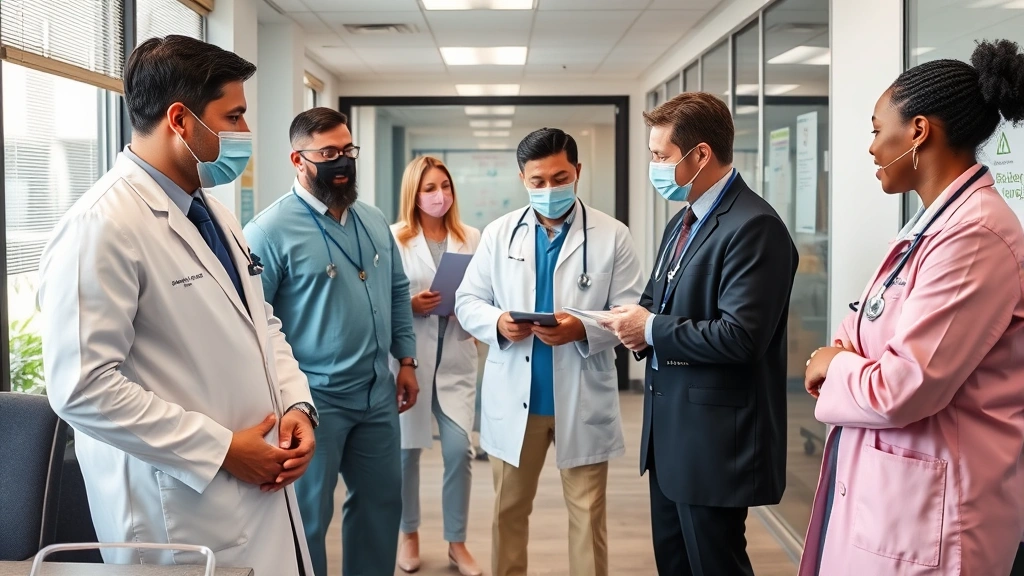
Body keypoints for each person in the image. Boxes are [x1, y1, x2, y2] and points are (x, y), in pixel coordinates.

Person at [38, 35, 315, 575]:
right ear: (181, 120)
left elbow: (261, 325)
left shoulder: (211, 212)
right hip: (179, 509)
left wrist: (297, 407)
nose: (244, 131)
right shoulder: (102, 226)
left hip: (257, 479)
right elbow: (81, 386)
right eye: (233, 116)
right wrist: (220, 449)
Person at [799, 39, 1024, 576]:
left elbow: (903, 386)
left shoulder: (975, 235)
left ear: (918, 131)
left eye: (878, 130)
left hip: (935, 516)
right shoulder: (932, 227)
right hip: (894, 497)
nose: (872, 148)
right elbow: (863, 328)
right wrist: (847, 357)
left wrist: (835, 365)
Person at [602, 92, 798, 576]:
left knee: (715, 565)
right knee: (675, 563)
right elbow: (656, 300)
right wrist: (633, 325)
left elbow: (741, 337)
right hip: (671, 437)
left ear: (701, 154)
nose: (654, 166)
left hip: (715, 443)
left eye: (660, 156)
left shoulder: (755, 226)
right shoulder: (682, 221)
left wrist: (650, 327)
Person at [455, 127, 643, 576]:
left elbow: (633, 312)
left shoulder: (612, 235)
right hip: (515, 401)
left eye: (560, 178)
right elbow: (467, 300)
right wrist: (498, 322)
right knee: (508, 512)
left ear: (578, 171)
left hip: (581, 397)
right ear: (522, 178)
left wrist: (582, 327)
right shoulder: (499, 233)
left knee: (588, 517)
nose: (549, 189)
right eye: (537, 181)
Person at [243, 107, 418, 576]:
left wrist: (406, 359)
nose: (341, 162)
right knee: (308, 518)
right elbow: (251, 326)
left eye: (347, 150)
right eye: (327, 154)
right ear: (298, 160)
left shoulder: (373, 219)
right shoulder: (268, 231)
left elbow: (397, 290)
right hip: (313, 402)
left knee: (382, 506)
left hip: (377, 394)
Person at [390, 156, 482, 576]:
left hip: (456, 358)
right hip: (409, 362)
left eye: (445, 187)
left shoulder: (471, 237)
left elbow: (484, 292)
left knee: (459, 451)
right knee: (406, 454)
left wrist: (469, 309)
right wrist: (411, 304)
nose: (440, 195)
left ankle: (456, 542)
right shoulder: (395, 238)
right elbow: (384, 299)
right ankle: (408, 534)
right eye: (430, 188)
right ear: (414, 193)